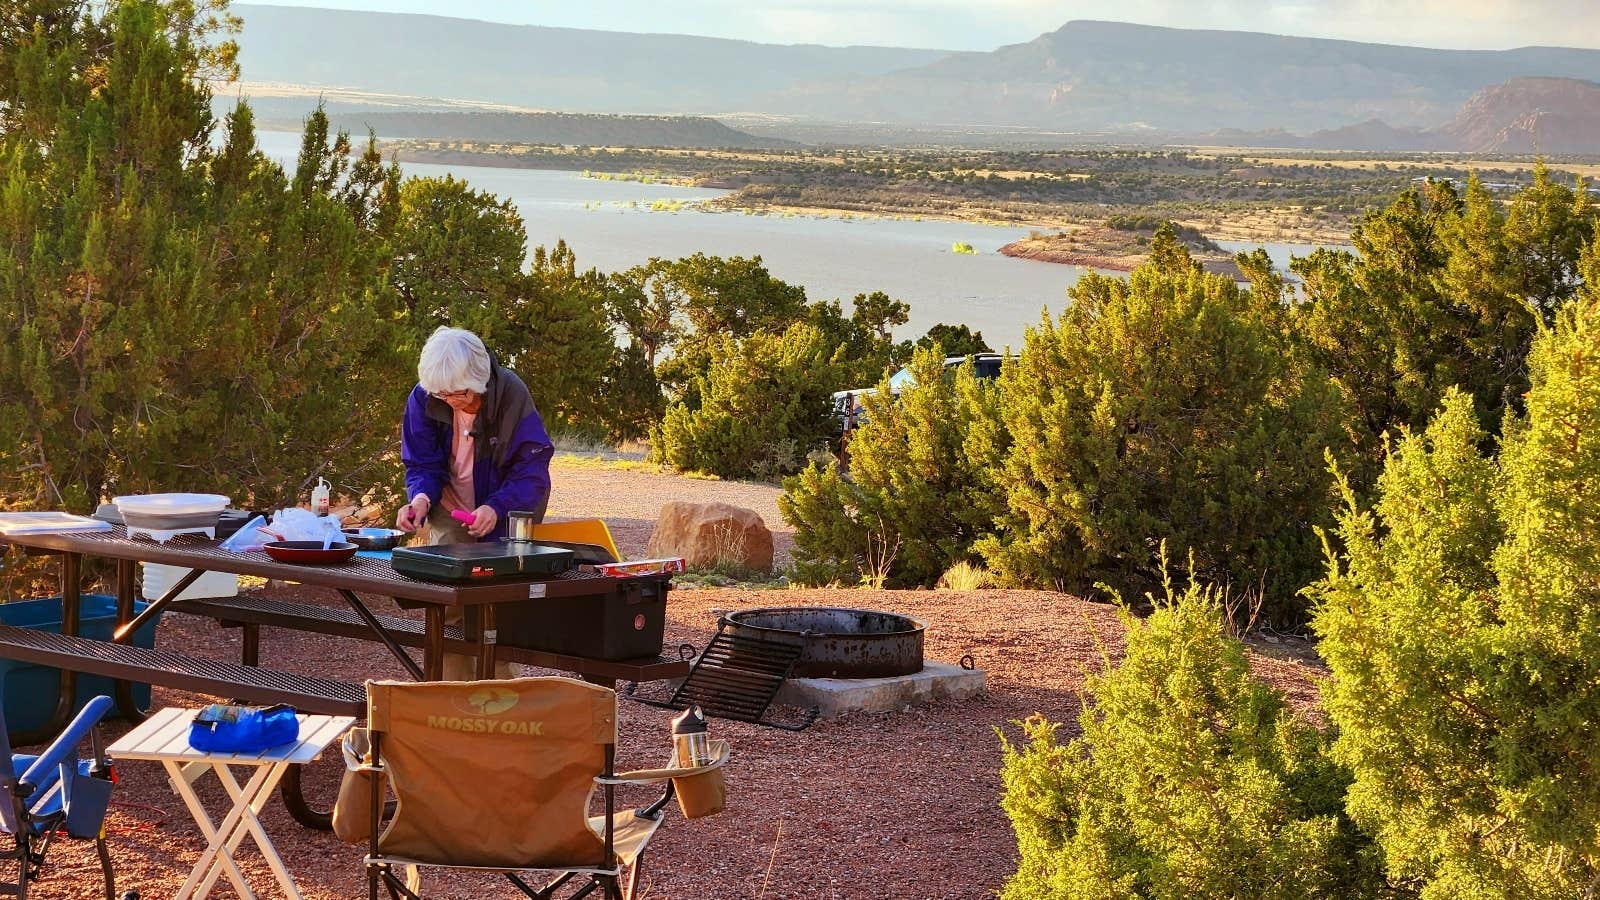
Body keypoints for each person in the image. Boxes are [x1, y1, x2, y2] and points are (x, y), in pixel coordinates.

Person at [396, 326, 553, 679]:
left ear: (479, 379)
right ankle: (451, 702)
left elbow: (532, 469)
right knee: (447, 606)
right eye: (443, 394)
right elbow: (421, 462)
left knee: (490, 611)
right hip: (450, 508)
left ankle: (501, 706)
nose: (450, 400)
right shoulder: (424, 397)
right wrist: (419, 499)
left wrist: (495, 507)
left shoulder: (511, 395)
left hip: (503, 512)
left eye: (459, 394)